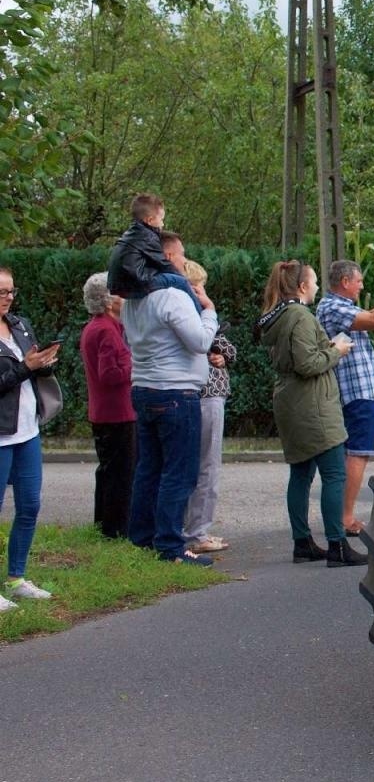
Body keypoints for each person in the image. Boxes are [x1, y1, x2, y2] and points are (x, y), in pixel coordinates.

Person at [257, 260, 364, 567]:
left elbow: (295, 357)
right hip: (313, 403)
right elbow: (307, 365)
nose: (318, 287)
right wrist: (337, 351)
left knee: (301, 474)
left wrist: (325, 347)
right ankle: (337, 546)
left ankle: (302, 542)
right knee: (334, 474)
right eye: (315, 282)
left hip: (289, 400)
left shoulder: (276, 316)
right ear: (302, 287)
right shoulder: (300, 316)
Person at [123, 228, 219, 566]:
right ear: (165, 257)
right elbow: (199, 342)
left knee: (149, 468)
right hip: (177, 393)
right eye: (180, 254)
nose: (184, 260)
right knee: (179, 473)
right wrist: (209, 312)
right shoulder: (173, 296)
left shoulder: (134, 297)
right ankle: (170, 548)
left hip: (144, 388)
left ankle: (142, 538)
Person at [316, 260, 374, 536]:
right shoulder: (334, 307)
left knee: (351, 453)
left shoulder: (336, 305)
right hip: (357, 391)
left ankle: (340, 517)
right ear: (345, 282)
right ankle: (346, 519)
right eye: (358, 281)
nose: (361, 285)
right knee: (357, 453)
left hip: (354, 390)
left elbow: (370, 314)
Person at [0, 268, 60, 610]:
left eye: (11, 292)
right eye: (1, 292)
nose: (8, 298)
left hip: (27, 431)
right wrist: (25, 366)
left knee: (30, 505)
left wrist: (45, 363)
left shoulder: (19, 324)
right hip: (0, 434)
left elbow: (31, 368)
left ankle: (17, 578)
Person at [180, 260, 234, 555]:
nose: (203, 292)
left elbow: (227, 347)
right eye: (199, 286)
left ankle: (193, 528)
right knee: (206, 466)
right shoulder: (194, 316)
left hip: (204, 395)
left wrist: (222, 356)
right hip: (205, 396)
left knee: (198, 465)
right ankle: (196, 532)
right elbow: (204, 344)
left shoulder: (197, 316)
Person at [80, 272, 135, 539]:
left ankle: (105, 523)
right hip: (117, 412)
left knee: (109, 470)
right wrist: (134, 367)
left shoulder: (98, 326)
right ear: (109, 299)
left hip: (106, 410)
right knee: (120, 473)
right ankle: (115, 528)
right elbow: (109, 374)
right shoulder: (106, 330)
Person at [106, 192, 199, 309]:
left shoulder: (131, 233)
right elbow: (163, 264)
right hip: (136, 283)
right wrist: (184, 278)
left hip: (117, 286)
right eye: (161, 219)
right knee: (180, 281)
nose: (163, 224)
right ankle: (201, 314)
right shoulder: (148, 236)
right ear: (149, 220)